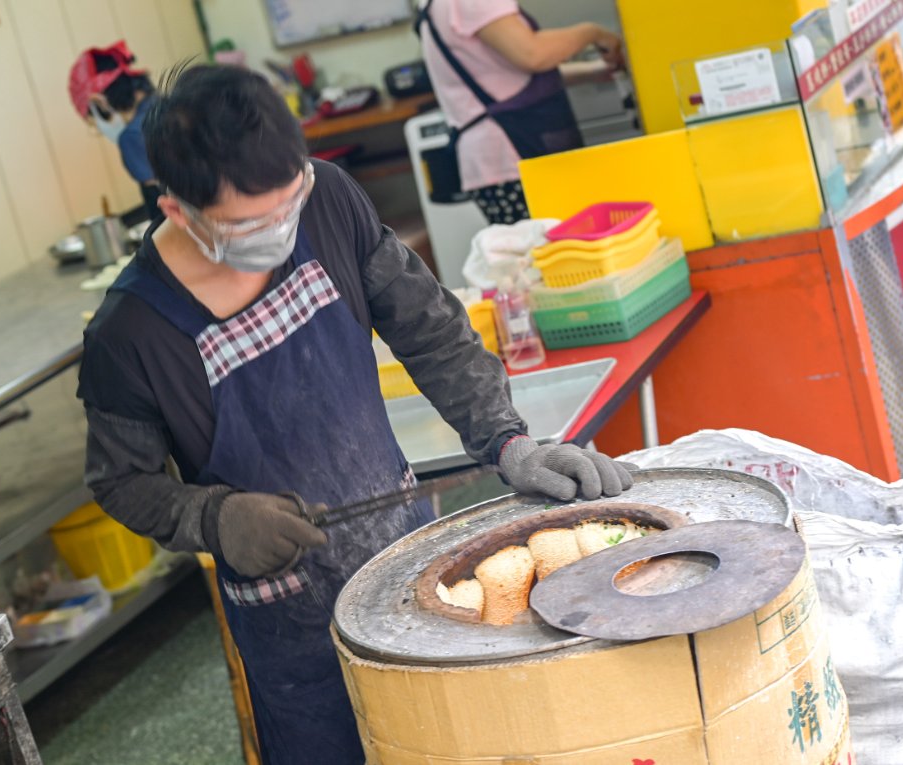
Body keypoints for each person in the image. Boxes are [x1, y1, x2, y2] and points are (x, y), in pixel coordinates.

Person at [76, 64, 633, 765]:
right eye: (252, 223)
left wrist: (506, 439)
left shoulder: (329, 201)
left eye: (290, 202)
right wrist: (215, 519)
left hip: (407, 553)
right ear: (175, 209)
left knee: (451, 741)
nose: (282, 230)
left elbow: (429, 329)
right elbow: (121, 482)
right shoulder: (129, 335)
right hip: (290, 614)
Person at [416, 0, 623, 225]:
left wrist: (593, 72)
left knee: (542, 253)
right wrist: (592, 33)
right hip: (513, 158)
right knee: (559, 250)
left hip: (496, 161)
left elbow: (507, 80)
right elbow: (532, 54)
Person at [68, 41, 162, 220]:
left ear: (99, 101)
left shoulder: (132, 138)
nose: (100, 127)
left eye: (94, 118)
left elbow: (166, 209)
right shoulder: (170, 104)